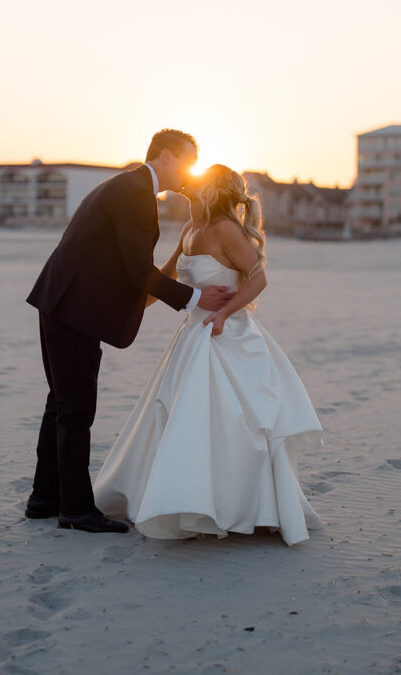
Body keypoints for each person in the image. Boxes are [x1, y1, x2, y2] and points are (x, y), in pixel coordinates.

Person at [93, 164, 324, 544]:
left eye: (196, 181)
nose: (187, 184)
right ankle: (185, 500)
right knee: (182, 419)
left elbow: (259, 276)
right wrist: (123, 313)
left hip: (224, 335)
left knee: (232, 423)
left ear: (209, 191)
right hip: (191, 337)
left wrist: (223, 313)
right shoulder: (189, 229)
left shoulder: (224, 230)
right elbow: (162, 281)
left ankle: (242, 507)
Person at [24, 130, 235, 533]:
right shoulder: (135, 192)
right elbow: (139, 271)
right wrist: (194, 299)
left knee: (62, 404)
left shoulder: (130, 185)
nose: (191, 172)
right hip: (72, 309)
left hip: (63, 302)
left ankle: (44, 499)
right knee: (75, 410)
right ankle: (76, 510)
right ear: (169, 156)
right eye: (189, 162)